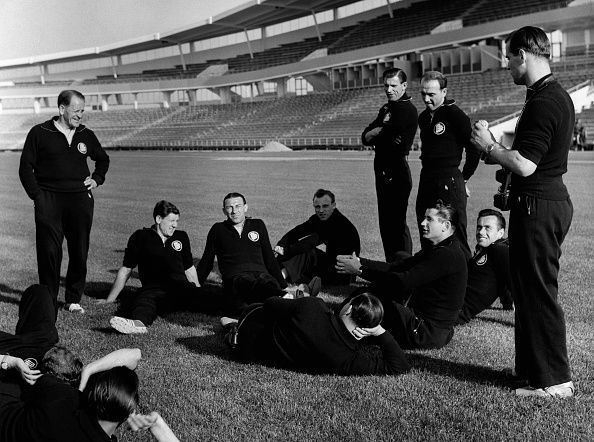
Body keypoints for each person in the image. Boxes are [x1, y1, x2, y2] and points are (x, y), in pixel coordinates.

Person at [470, 26, 575, 398]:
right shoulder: (543, 95)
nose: (507, 66)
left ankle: (556, 382)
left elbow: (526, 163)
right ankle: (533, 371)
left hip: (541, 205)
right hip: (537, 202)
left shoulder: (547, 101)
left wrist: (488, 146)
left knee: (538, 292)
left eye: (509, 58)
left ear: (524, 55)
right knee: (528, 292)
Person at [0, 286, 178, 441]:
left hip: (10, 381)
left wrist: (10, 361)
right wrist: (157, 425)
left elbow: (134, 355)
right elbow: (135, 355)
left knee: (40, 293)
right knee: (41, 294)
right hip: (40, 346)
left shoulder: (62, 397)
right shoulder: (76, 406)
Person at [19, 90, 110, 315]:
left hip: (80, 200)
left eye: (82, 110)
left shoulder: (86, 134)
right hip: (48, 199)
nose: (80, 115)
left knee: (79, 250)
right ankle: (49, 300)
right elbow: (25, 168)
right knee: (49, 252)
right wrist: (38, 197)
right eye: (76, 110)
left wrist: (96, 179)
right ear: (62, 109)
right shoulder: (39, 132)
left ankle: (73, 299)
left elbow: (103, 159)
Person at [336, 202, 467, 350]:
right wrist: (359, 262)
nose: (423, 223)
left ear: (446, 225)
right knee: (375, 289)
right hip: (429, 328)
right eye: (424, 218)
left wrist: (360, 270)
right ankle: (343, 323)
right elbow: (397, 267)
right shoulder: (440, 248)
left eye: (429, 219)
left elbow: (401, 282)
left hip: (424, 332)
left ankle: (340, 329)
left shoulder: (447, 255)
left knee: (369, 299)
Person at [104, 200, 219, 335]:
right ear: (159, 219)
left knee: (213, 297)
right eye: (171, 221)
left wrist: (198, 290)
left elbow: (189, 269)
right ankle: (138, 325)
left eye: (177, 221)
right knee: (144, 302)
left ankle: (241, 315)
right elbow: (126, 269)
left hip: (180, 288)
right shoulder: (140, 237)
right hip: (154, 290)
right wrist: (110, 299)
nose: (175, 225)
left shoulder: (181, 236)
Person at [232, 293, 410, 375]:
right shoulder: (348, 359)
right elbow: (399, 366)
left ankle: (231, 324)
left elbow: (269, 303)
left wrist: (291, 299)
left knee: (280, 303)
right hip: (253, 351)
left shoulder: (313, 307)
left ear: (348, 310)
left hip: (252, 325)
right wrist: (380, 332)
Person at [416, 71, 480, 258]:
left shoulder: (455, 115)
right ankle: (430, 278)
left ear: (444, 92)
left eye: (431, 94)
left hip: (449, 179)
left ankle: (466, 282)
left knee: (455, 231)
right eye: (423, 94)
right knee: (426, 227)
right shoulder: (423, 117)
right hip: (427, 177)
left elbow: (474, 149)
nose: (426, 99)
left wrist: (464, 178)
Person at [197, 193, 290, 317]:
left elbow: (269, 258)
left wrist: (283, 285)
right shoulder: (218, 229)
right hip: (235, 278)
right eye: (229, 207)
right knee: (245, 283)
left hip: (261, 275)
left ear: (245, 207)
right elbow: (207, 261)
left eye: (238, 206)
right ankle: (283, 298)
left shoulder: (258, 225)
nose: (234, 211)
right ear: (224, 211)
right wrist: (195, 285)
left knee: (267, 282)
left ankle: (283, 297)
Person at [362, 68, 418, 259]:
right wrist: (377, 133)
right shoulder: (386, 108)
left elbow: (391, 141)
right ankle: (391, 268)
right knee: (385, 225)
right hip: (382, 171)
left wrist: (377, 133)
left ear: (404, 86)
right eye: (386, 85)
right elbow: (365, 137)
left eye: (393, 85)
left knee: (396, 224)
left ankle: (403, 269)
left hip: (397, 172)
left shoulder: (407, 109)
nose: (389, 89)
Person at [275, 189, 360, 285]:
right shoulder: (320, 218)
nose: (321, 210)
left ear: (334, 205)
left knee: (307, 251)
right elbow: (297, 231)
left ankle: (280, 277)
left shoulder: (339, 223)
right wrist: (281, 244)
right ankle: (278, 270)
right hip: (331, 264)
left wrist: (285, 251)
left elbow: (310, 242)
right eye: (317, 207)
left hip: (342, 275)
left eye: (325, 206)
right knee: (295, 245)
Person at [457, 209, 512, 325]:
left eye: (487, 228)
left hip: (450, 310)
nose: (481, 232)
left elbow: (514, 283)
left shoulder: (500, 250)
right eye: (479, 227)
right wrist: (508, 303)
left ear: (500, 233)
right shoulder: (484, 250)